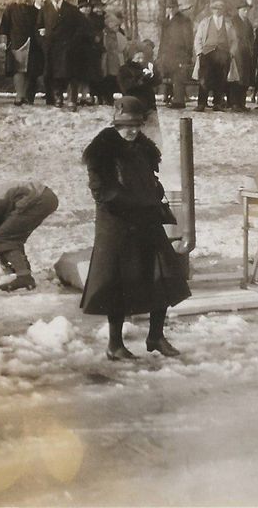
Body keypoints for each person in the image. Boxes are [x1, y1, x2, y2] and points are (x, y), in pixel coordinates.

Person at [80, 96, 190, 360]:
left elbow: (150, 179)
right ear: (115, 124)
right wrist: (136, 201)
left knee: (162, 276)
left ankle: (156, 336)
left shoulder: (143, 148)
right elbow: (102, 190)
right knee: (117, 285)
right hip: (117, 225)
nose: (131, 130)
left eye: (136, 125)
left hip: (146, 221)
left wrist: (154, 191)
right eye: (125, 125)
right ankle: (115, 345)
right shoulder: (103, 150)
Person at [37, 0, 82, 109]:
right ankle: (58, 98)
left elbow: (80, 28)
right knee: (54, 74)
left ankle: (72, 99)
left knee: (71, 74)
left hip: (68, 47)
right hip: (52, 47)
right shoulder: (44, 10)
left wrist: (73, 42)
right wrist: (43, 42)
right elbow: (38, 28)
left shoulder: (71, 9)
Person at [0, 0, 42, 106]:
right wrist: (3, 42)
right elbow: (4, 27)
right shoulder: (11, 9)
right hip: (16, 44)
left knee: (29, 71)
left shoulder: (35, 11)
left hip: (32, 44)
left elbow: (39, 26)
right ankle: (19, 95)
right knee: (18, 71)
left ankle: (25, 95)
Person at [192, 0, 239, 112]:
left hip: (223, 55)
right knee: (204, 78)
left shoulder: (228, 24)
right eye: (215, 8)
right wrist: (199, 52)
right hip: (207, 54)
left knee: (221, 79)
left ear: (223, 10)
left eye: (220, 8)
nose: (217, 11)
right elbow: (198, 38)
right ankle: (201, 103)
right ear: (212, 10)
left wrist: (232, 53)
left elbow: (234, 40)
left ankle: (217, 103)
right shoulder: (205, 22)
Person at [157, 0, 194, 109]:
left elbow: (188, 39)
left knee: (178, 77)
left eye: (173, 7)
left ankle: (179, 101)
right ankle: (169, 97)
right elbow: (162, 40)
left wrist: (188, 55)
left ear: (177, 8)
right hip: (167, 54)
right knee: (167, 76)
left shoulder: (184, 20)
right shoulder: (165, 21)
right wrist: (160, 54)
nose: (170, 9)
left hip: (180, 54)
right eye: (168, 7)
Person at [118, 44, 162, 112]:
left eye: (142, 58)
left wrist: (153, 74)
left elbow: (158, 82)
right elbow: (127, 86)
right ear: (131, 57)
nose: (141, 60)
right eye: (138, 58)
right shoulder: (124, 70)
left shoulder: (145, 67)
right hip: (133, 105)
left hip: (149, 105)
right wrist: (142, 78)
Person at [229, 0, 255, 111]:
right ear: (239, 10)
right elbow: (231, 37)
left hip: (246, 53)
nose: (246, 12)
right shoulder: (234, 21)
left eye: (247, 10)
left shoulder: (248, 23)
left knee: (244, 78)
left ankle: (242, 103)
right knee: (236, 78)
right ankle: (234, 103)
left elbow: (251, 38)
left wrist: (251, 49)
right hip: (236, 52)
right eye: (244, 10)